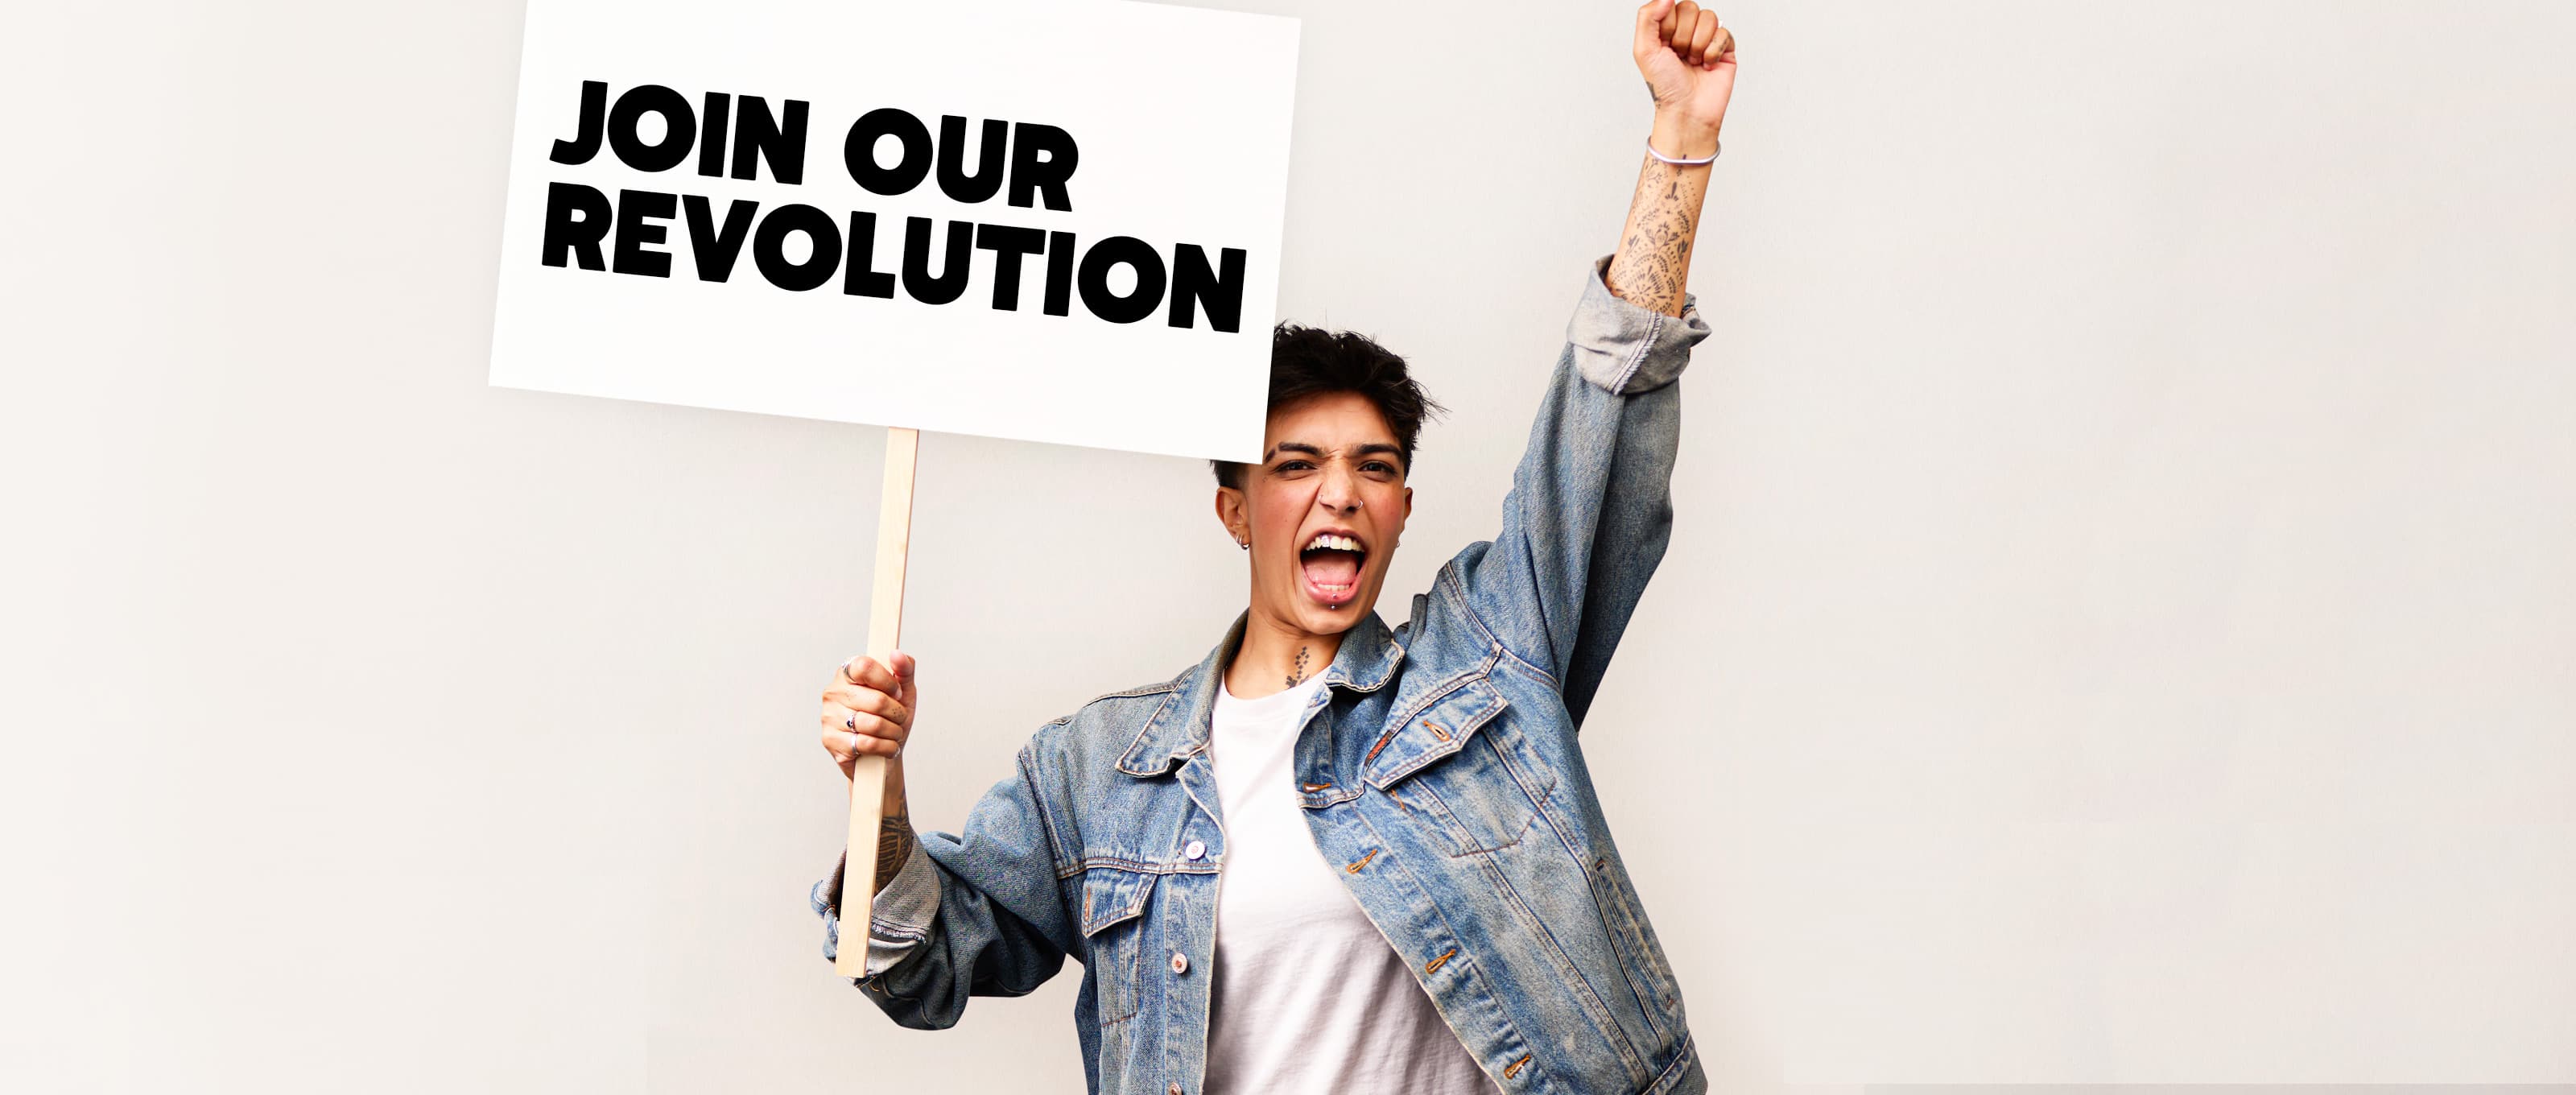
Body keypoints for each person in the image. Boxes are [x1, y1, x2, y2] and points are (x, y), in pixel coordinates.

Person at [809, 3, 1737, 1091]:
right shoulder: (1099, 771)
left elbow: (1603, 424)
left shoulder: (1486, 666)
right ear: (1236, 511)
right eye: (1296, 466)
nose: (1338, 494)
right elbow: (923, 968)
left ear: (1399, 509)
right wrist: (882, 792)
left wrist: (1682, 139)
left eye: (1375, 468)